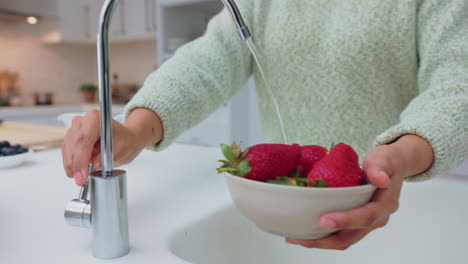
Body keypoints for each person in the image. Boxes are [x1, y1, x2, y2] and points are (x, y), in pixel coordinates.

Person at [61, 0, 467, 250]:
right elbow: (203, 66)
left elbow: (459, 85)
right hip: (287, 207)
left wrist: (399, 154)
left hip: (403, 201)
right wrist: (133, 129)